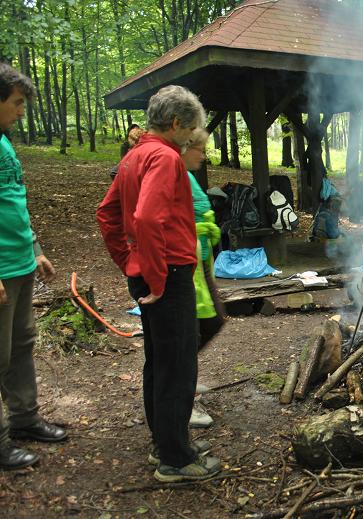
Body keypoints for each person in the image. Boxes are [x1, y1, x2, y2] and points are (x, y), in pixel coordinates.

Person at [96, 85, 220, 482]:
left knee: (160, 362)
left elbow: (107, 214)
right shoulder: (164, 157)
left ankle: (164, 442)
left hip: (149, 273)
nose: (190, 140)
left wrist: (128, 262)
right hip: (170, 276)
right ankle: (176, 460)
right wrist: (157, 276)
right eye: (191, 130)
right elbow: (148, 219)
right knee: (179, 366)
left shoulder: (134, 156)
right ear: (176, 123)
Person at [0, 63, 68, 471]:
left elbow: (12, 203)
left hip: (20, 262)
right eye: (17, 103)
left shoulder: (5, 142)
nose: (23, 110)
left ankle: (24, 420)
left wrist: (36, 247)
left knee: (21, 345)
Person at [180, 128, 225, 428]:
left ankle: (186, 379)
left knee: (212, 321)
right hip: (184, 262)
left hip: (200, 259)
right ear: (185, 147)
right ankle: (182, 400)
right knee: (188, 333)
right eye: (200, 148)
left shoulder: (185, 173)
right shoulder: (170, 171)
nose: (204, 155)